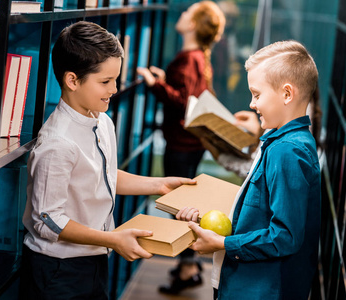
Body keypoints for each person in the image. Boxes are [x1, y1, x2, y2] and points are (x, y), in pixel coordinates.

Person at [19, 21, 197, 300]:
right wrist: (112, 240)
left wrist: (159, 184)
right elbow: (48, 220)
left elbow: (103, 176)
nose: (115, 89)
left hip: (95, 259)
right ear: (72, 80)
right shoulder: (57, 144)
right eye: (105, 81)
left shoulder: (103, 121)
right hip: (57, 269)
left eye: (116, 79)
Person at [178, 40, 321, 299]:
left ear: (287, 94)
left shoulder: (287, 151)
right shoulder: (278, 142)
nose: (252, 104)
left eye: (256, 94)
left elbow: (285, 236)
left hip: (260, 289)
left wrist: (222, 243)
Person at [136, 1, 226, 294]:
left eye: (188, 13)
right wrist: (165, 79)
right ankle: (189, 264)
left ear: (193, 25)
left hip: (181, 143)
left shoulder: (189, 57)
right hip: (192, 143)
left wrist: (154, 84)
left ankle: (188, 267)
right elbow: (190, 93)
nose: (183, 13)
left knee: (180, 208)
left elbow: (183, 102)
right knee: (185, 205)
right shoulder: (198, 57)